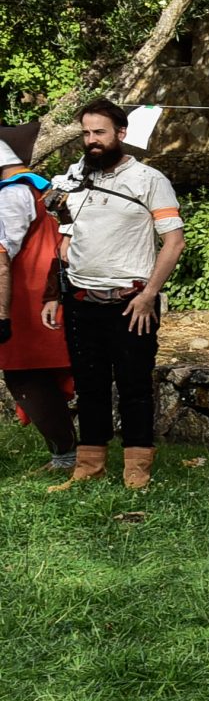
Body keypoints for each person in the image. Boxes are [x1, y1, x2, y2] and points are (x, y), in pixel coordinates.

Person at [41, 99, 186, 491]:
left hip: (131, 302)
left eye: (100, 132)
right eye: (86, 133)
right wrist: (53, 293)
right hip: (81, 300)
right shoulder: (75, 179)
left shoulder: (148, 179)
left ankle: (137, 470)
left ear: (121, 133)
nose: (92, 140)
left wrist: (149, 294)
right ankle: (89, 466)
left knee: (134, 386)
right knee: (89, 387)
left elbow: (174, 241)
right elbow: (65, 240)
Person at [0, 123, 76, 470]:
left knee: (25, 373)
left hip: (25, 300)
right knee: (35, 374)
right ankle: (66, 453)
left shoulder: (12, 194)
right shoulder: (39, 188)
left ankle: (66, 455)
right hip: (41, 292)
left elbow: (3, 252)